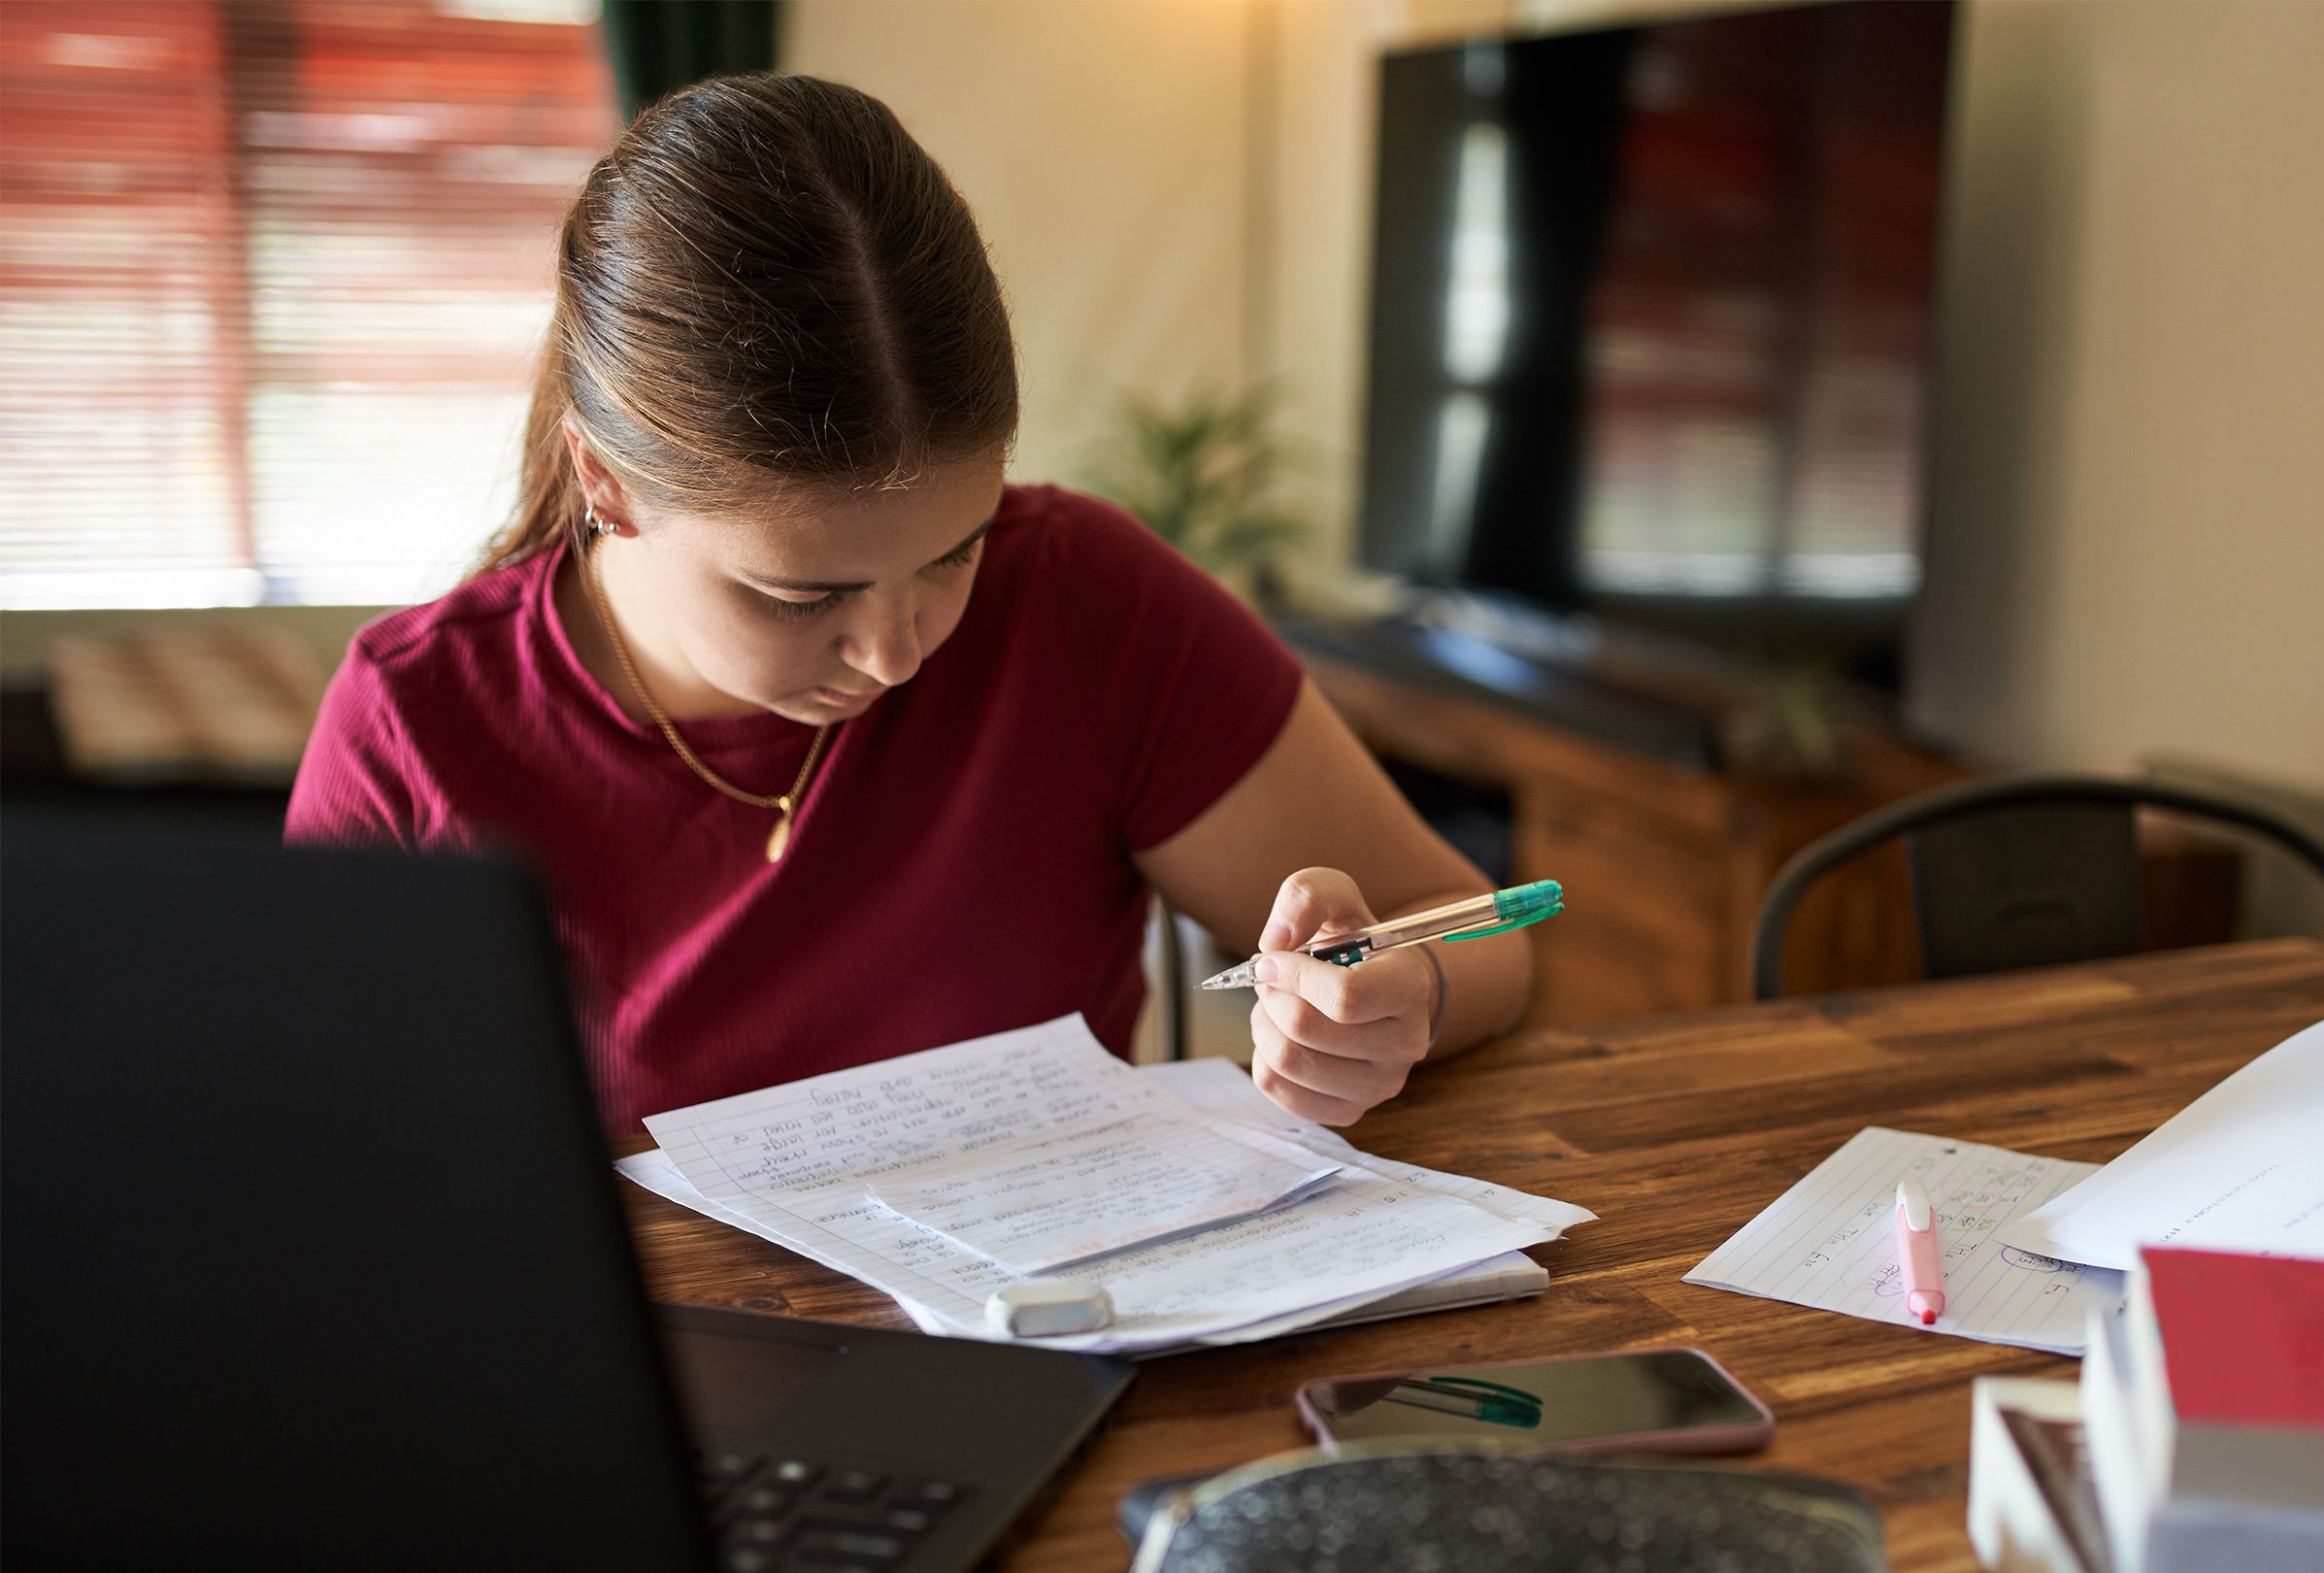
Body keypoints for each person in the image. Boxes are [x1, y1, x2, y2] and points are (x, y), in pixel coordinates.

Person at [284, 74, 1528, 1134]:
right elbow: (320, 1157)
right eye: (801, 593)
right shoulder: (417, 727)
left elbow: (1485, 935)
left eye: (953, 555)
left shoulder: (1081, 598)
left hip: (1056, 1362)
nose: (894, 654)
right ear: (603, 479)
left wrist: (1396, 991)